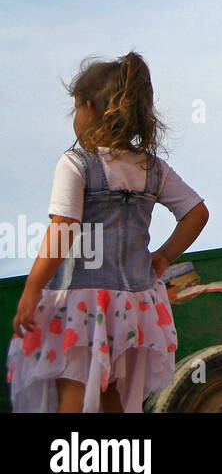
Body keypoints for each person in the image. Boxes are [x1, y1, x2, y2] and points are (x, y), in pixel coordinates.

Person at [7, 52, 209, 413]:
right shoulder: (152, 169)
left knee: (73, 388)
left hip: (82, 300)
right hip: (133, 302)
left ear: (87, 108)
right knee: (109, 391)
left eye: (76, 110)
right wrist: (163, 256)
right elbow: (196, 212)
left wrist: (34, 286)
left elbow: (63, 228)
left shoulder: (75, 164)